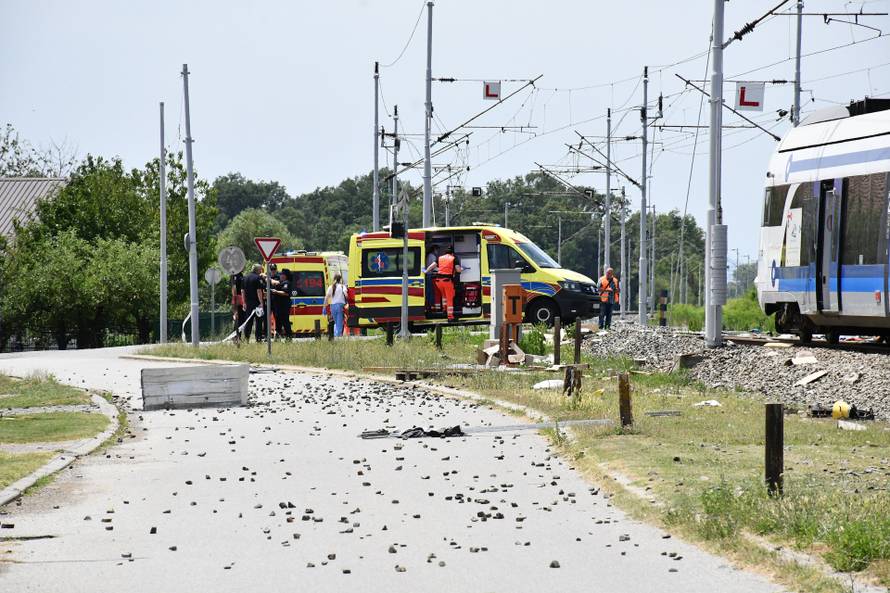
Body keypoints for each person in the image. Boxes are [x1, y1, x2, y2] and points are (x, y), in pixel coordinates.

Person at [426, 246, 462, 322]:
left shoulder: (440, 258)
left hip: (438, 281)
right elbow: (458, 270)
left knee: (444, 296)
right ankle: (450, 317)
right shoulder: (453, 258)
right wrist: (461, 269)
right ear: (452, 253)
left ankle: (444, 310)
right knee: (449, 298)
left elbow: (432, 266)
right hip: (447, 281)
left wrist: (426, 271)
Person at [242, 264, 265, 343]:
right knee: (259, 321)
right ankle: (258, 339)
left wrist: (244, 302)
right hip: (257, 303)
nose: (261, 271)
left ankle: (246, 338)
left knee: (248, 321)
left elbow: (242, 291)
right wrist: (261, 302)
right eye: (260, 270)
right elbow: (259, 291)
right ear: (257, 270)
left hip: (248, 303)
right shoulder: (258, 278)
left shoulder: (245, 278)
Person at [322, 273, 347, 337]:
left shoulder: (331, 287)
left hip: (332, 306)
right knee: (339, 323)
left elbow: (326, 297)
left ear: (334, 279)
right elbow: (345, 294)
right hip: (340, 306)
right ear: (340, 279)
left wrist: (324, 307)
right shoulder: (342, 286)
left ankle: (335, 335)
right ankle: (338, 336)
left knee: (336, 323)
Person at [271, 269, 292, 340]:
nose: (281, 276)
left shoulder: (287, 283)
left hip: (284, 306)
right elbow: (274, 282)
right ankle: (278, 337)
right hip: (278, 306)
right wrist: (267, 277)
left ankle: (289, 337)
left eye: (282, 275)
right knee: (278, 322)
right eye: (280, 274)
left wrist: (276, 291)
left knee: (285, 322)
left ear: (285, 276)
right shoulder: (281, 282)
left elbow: (286, 293)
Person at [230, 270, 245, 342]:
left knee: (241, 319)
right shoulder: (235, 275)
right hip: (238, 298)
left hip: (239, 297)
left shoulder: (240, 274)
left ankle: (238, 336)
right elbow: (234, 288)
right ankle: (235, 336)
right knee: (238, 318)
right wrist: (236, 299)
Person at [425, 245, 440, 311]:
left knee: (428, 291)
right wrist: (441, 269)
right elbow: (434, 267)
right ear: (434, 249)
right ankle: (431, 305)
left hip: (427, 275)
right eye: (437, 250)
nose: (438, 251)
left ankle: (428, 305)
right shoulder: (433, 256)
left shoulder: (428, 255)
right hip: (430, 275)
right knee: (431, 291)